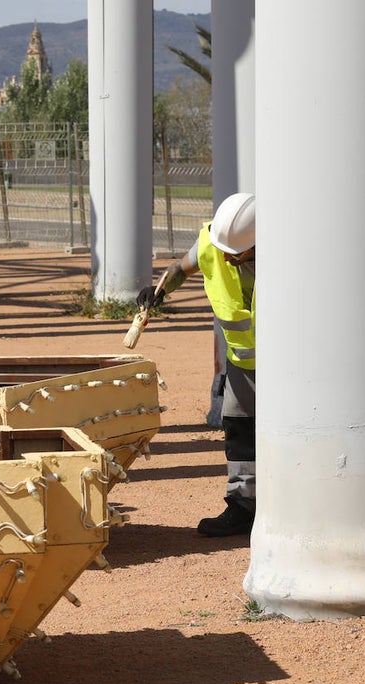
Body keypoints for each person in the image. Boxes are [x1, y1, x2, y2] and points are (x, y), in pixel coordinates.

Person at [138, 193, 256, 537]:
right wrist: (158, 291)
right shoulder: (212, 243)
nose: (229, 259)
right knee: (238, 429)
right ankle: (242, 507)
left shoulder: (289, 252)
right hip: (243, 362)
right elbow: (181, 269)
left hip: (289, 365)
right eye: (226, 252)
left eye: (239, 255)